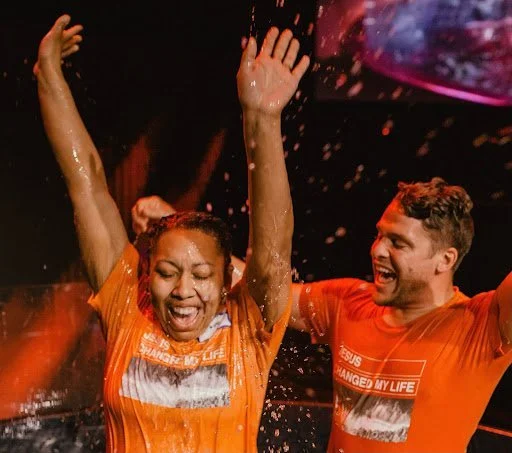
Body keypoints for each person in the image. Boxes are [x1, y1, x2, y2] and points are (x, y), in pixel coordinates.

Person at [34, 13, 309, 453]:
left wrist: (262, 119)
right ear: (147, 272)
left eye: (201, 275)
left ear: (227, 280)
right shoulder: (127, 304)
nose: (184, 291)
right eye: (166, 272)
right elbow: (87, 184)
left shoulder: (248, 325)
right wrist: (49, 75)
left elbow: (273, 242)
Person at [133, 179, 512, 451]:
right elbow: (262, 292)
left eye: (398, 243)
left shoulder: (482, 325)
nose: (378, 250)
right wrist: (184, 238)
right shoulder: (348, 303)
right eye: (380, 235)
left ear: (445, 259)